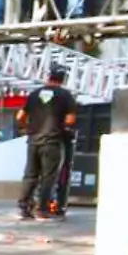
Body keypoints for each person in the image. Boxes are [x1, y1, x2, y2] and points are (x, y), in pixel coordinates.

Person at [17, 68, 77, 221]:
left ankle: (24, 207)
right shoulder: (65, 95)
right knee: (48, 177)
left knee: (30, 175)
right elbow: (70, 120)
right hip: (52, 141)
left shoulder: (34, 94)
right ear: (62, 79)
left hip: (33, 140)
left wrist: (28, 127)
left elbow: (20, 116)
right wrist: (60, 126)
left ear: (48, 77)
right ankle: (42, 209)